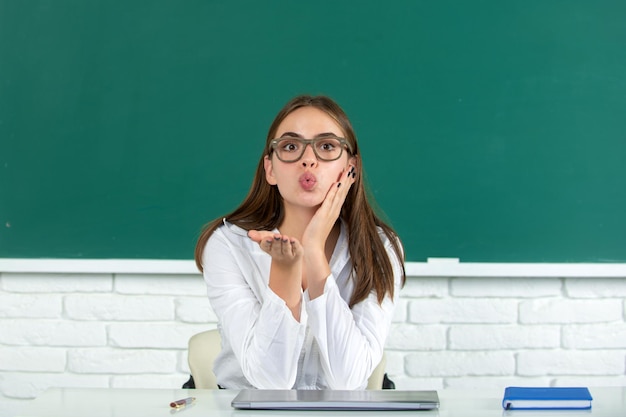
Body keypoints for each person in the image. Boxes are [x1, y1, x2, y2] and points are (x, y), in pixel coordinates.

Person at [194, 94, 405, 390]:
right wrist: (284, 273)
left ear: (351, 169)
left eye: (327, 146)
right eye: (291, 147)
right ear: (270, 169)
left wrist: (314, 252)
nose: (308, 159)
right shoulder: (229, 244)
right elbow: (270, 381)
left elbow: (348, 379)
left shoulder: (379, 247)